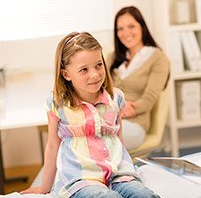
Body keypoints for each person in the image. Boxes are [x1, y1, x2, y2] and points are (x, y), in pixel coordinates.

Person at [20, 32, 160, 198]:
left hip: (118, 174)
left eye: (99, 65)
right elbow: (52, 145)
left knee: (145, 195)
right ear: (66, 74)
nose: (94, 74)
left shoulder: (116, 98)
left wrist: (128, 171)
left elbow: (119, 139)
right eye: (84, 70)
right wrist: (44, 187)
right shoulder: (58, 104)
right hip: (81, 178)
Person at [107, 6, 170, 150]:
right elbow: (102, 92)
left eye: (131, 26)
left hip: (135, 124)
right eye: (120, 29)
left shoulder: (157, 58)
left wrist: (123, 109)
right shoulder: (113, 57)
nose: (125, 33)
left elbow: (148, 100)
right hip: (107, 119)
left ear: (142, 27)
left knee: (97, 144)